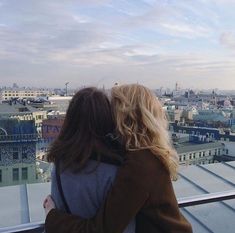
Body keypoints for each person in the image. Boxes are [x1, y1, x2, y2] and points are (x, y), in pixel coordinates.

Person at [44, 84, 193, 233]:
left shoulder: (140, 165)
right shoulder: (145, 155)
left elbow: (101, 229)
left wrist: (52, 216)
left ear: (125, 116)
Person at [44, 87, 135, 233]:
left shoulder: (60, 165)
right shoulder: (117, 170)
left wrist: (51, 215)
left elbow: (59, 210)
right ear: (107, 120)